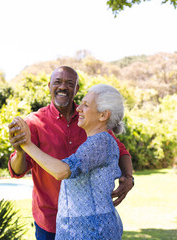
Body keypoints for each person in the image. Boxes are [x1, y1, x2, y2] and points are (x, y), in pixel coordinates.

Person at [8, 66, 133, 239]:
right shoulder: (35, 122)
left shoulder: (95, 125)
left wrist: (129, 176)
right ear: (49, 85)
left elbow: (119, 152)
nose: (63, 87)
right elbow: (17, 170)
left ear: (76, 89)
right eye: (58, 82)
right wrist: (20, 150)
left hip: (88, 226)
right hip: (50, 219)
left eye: (69, 83)